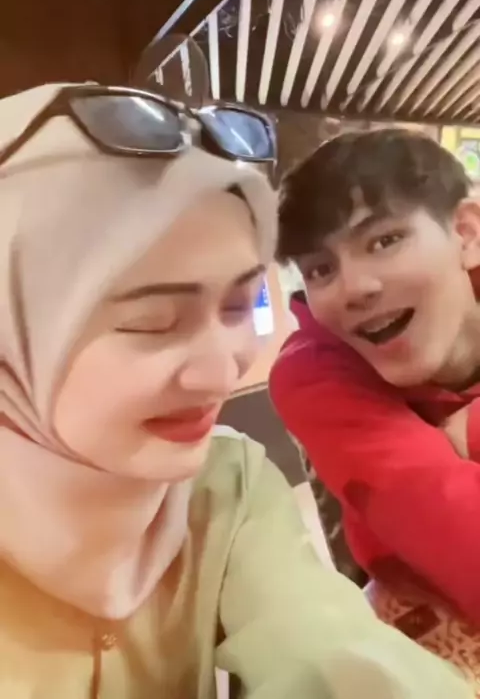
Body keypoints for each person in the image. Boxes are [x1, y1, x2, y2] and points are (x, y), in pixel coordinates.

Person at [0, 88, 472, 699]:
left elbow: (329, 653)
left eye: (238, 305)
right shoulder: (307, 387)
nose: (222, 373)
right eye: (153, 321)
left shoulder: (227, 485)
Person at [270, 128, 480, 691]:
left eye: (385, 240)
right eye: (320, 269)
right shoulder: (313, 371)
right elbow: (456, 532)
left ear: (466, 233)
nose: (354, 288)